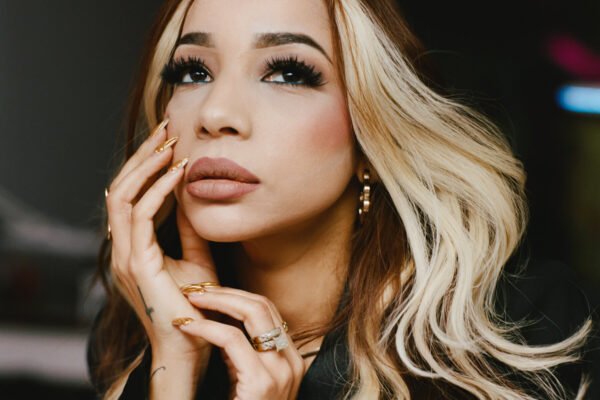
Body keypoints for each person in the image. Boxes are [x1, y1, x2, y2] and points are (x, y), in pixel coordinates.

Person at [87, 0, 595, 399]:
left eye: (287, 72)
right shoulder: (133, 336)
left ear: (370, 134)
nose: (216, 113)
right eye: (193, 71)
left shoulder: (524, 329)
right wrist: (176, 362)